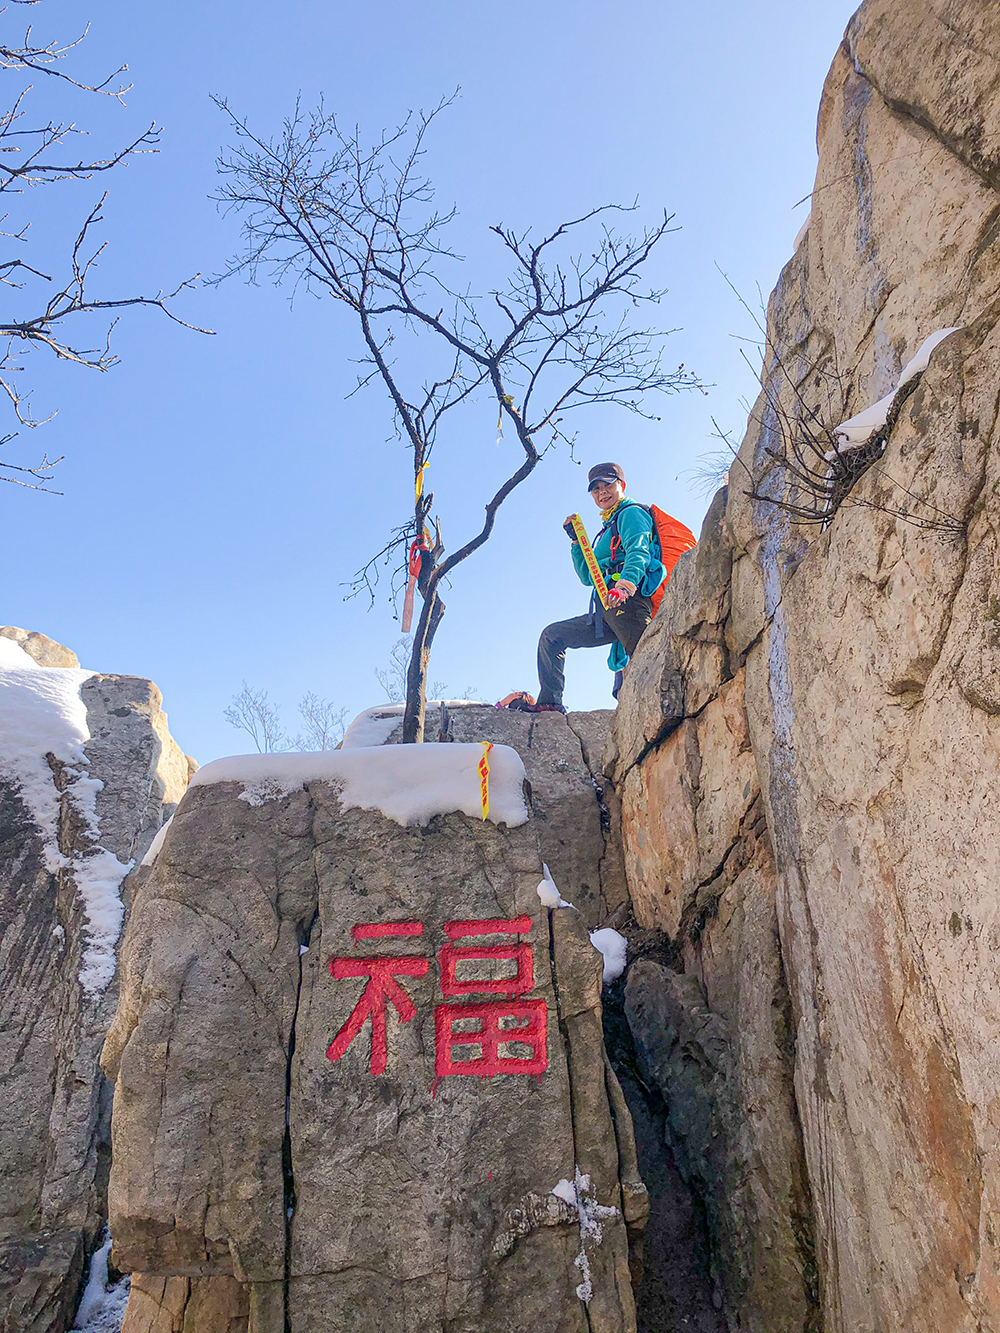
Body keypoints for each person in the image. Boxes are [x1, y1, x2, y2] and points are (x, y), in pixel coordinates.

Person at [525, 463, 665, 714]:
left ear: (622, 485)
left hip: (626, 601)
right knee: (552, 636)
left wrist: (625, 587)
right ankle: (549, 702)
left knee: (647, 657)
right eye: (596, 489)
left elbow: (639, 550)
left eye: (608, 485)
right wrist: (577, 542)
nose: (602, 492)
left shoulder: (631, 513)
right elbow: (587, 576)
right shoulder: (605, 531)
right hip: (604, 611)